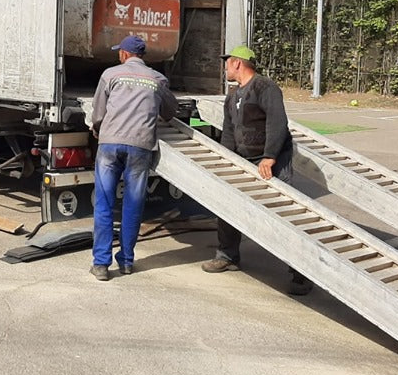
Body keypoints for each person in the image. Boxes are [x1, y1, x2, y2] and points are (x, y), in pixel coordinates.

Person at [200, 44, 313, 296]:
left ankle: (301, 273)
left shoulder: (265, 87)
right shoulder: (232, 96)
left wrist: (270, 156)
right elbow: (229, 131)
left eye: (227, 63)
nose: (225, 68)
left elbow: (277, 122)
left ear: (237, 63)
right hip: (244, 159)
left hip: (271, 161)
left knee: (283, 213)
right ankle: (227, 255)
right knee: (228, 204)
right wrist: (226, 159)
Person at [89, 34, 178, 280]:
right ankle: (127, 261)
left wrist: (97, 129)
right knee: (133, 205)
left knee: (104, 204)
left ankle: (101, 265)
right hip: (140, 146)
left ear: (124, 54)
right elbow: (170, 111)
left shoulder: (110, 74)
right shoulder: (157, 79)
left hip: (110, 145)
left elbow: (98, 113)